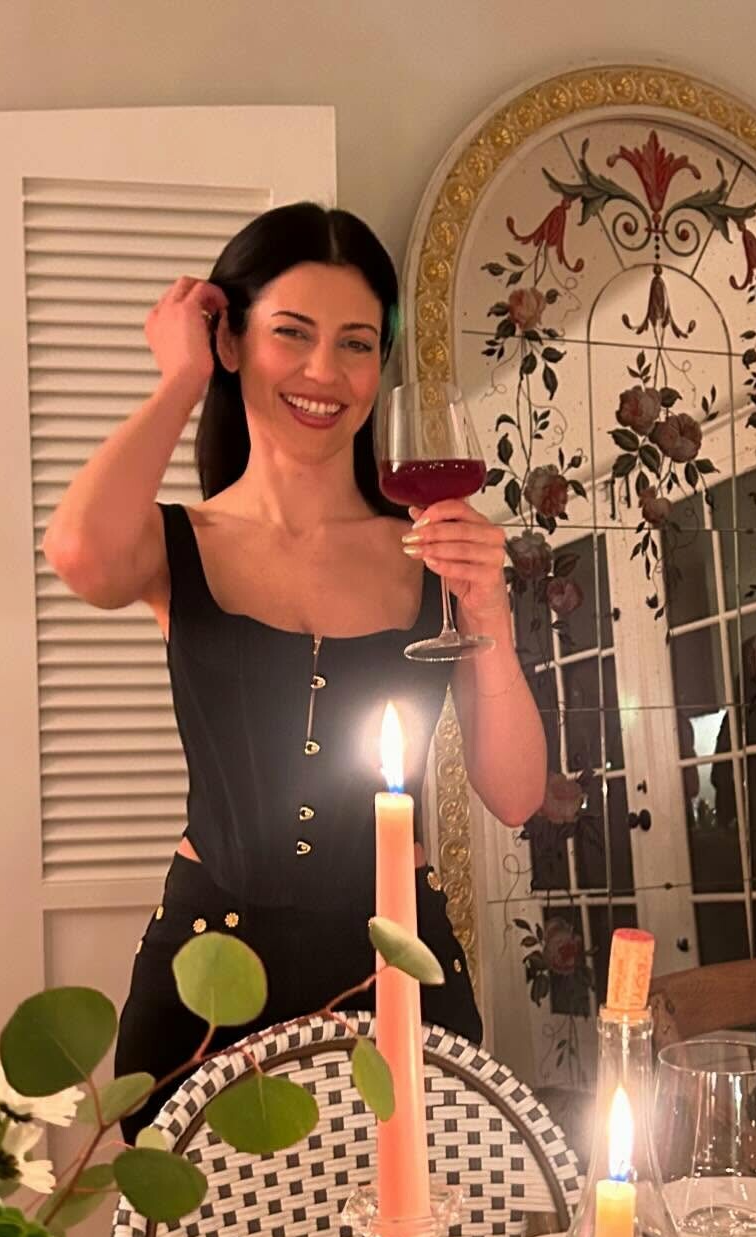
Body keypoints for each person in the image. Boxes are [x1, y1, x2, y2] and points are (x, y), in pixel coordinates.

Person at [43, 203, 547, 1141]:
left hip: (397, 968)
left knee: (419, 1225)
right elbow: (77, 554)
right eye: (292, 333)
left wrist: (491, 617)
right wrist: (180, 378)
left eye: (356, 343)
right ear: (232, 341)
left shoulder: (432, 550)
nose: (324, 372)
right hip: (208, 976)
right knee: (198, 1232)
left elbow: (516, 796)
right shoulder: (182, 542)